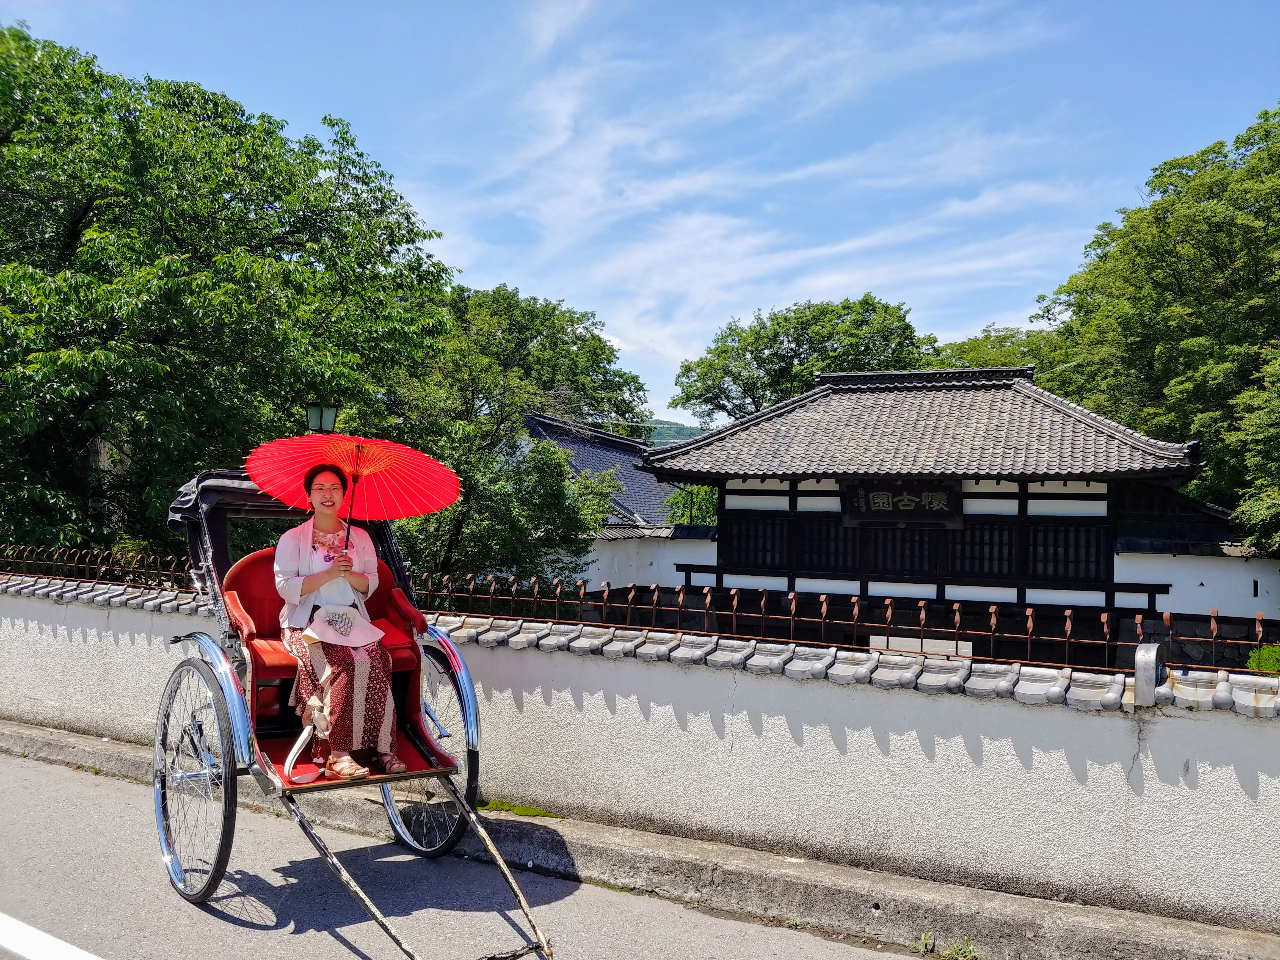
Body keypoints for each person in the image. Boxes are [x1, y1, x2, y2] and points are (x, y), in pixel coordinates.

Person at [274, 463, 405, 780]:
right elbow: (285, 587)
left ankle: (384, 748)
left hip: (348, 617)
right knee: (343, 662)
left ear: (344, 494)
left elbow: (371, 582)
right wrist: (329, 574)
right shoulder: (293, 539)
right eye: (319, 488)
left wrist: (350, 574)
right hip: (308, 620)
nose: (327, 494)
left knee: (378, 659)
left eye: (334, 488)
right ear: (309, 496)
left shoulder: (359, 537)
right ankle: (339, 754)